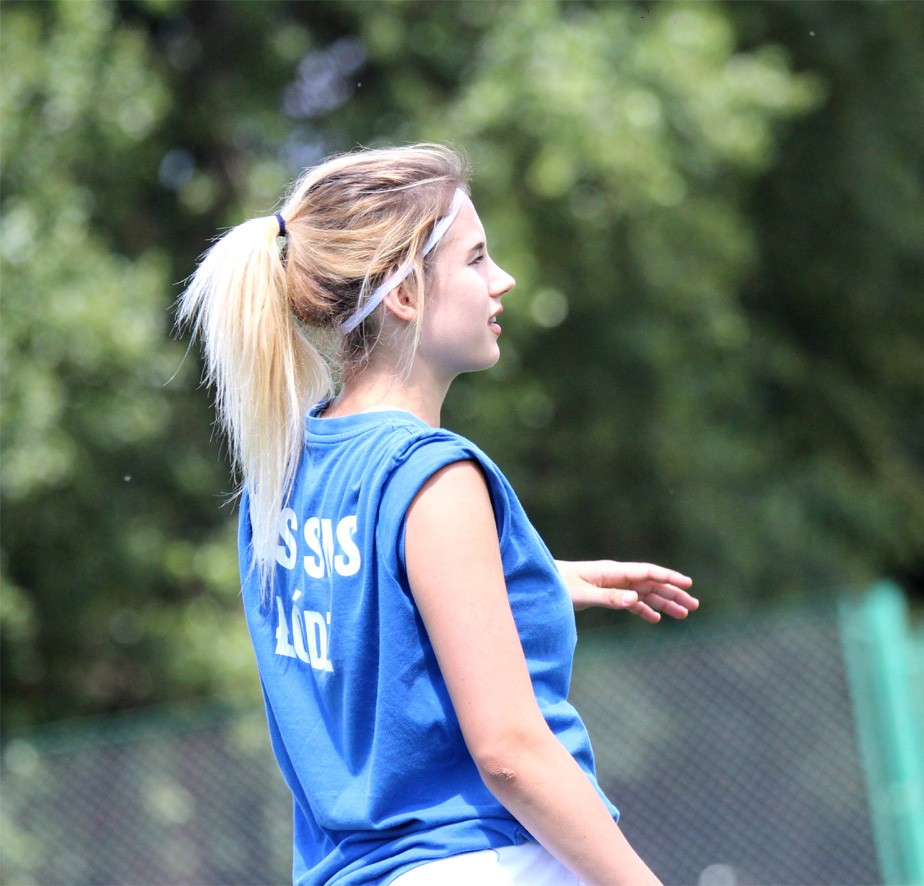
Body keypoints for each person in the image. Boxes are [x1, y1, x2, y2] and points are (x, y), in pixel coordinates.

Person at [177, 143, 698, 886]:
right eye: (477, 259)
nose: (502, 279)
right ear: (403, 296)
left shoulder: (279, 474)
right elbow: (512, 756)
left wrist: (527, 579)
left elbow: (373, 612)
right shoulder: (432, 477)